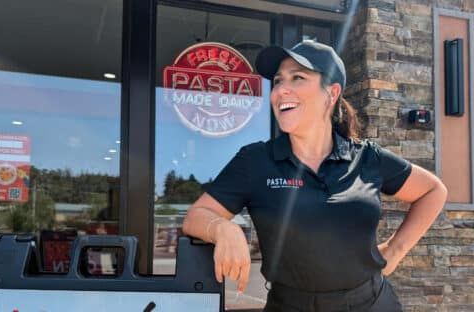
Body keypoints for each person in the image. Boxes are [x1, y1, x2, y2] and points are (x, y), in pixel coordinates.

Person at [182, 40, 447, 312]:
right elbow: (197, 215)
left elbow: (432, 191)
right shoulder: (256, 161)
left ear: (331, 94)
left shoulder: (367, 158)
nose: (281, 90)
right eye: (277, 81)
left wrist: (395, 250)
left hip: (372, 303)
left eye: (298, 78)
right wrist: (223, 228)